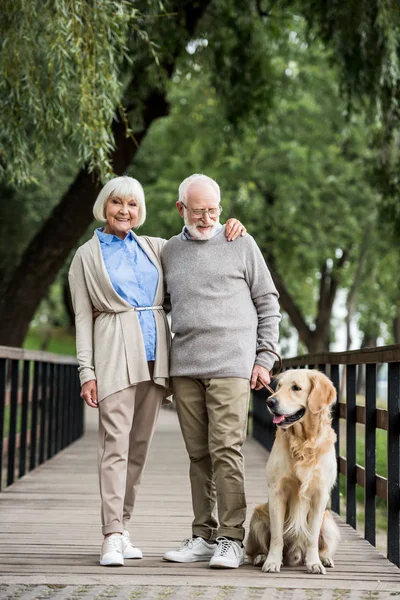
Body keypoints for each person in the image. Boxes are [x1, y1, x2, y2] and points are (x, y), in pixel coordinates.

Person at [68, 175, 246, 567]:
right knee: (114, 445)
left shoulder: (157, 248)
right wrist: (87, 371)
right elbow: (83, 319)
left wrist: (232, 227)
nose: (125, 211)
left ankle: (125, 527)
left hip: (157, 359)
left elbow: (199, 242)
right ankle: (110, 534)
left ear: (141, 210)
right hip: (114, 354)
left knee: (138, 449)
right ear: (105, 206)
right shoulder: (86, 256)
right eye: (117, 203)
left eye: (132, 205)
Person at [162, 173, 281, 569]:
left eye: (213, 210)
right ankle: (203, 534)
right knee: (198, 455)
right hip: (185, 367)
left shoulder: (241, 243)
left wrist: (264, 358)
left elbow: (268, 302)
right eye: (198, 211)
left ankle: (232, 537)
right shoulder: (168, 252)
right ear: (181, 208)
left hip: (232, 366)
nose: (207, 217)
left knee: (226, 450)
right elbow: (157, 306)